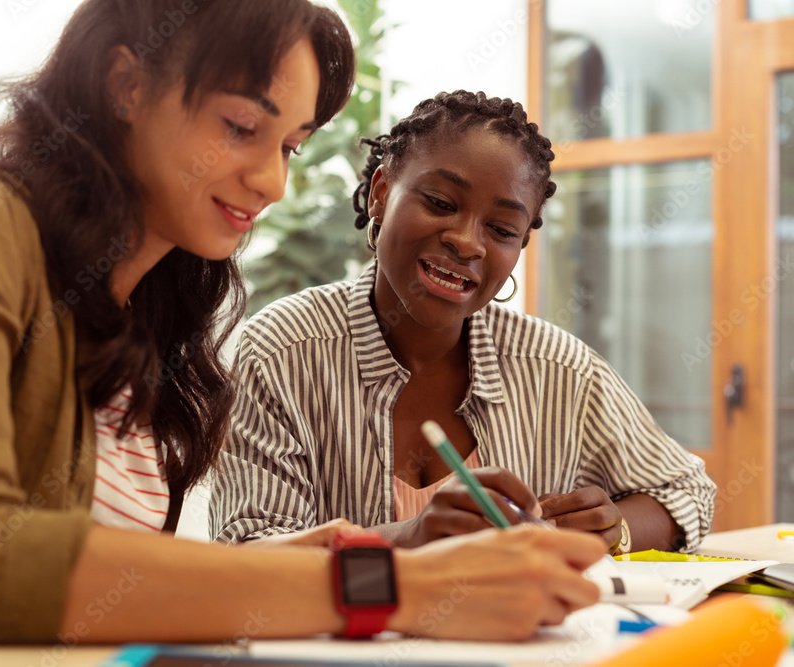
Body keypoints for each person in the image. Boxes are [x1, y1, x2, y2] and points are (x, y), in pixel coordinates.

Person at [0, 4, 606, 661]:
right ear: (126, 82)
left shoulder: (151, 304)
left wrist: (328, 559)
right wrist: (397, 586)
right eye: (242, 128)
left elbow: (108, 575)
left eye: (290, 144)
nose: (273, 181)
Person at [209, 90, 717, 554]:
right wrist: (408, 538)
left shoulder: (558, 368)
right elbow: (246, 557)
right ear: (382, 192)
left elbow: (688, 491)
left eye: (501, 229)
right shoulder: (281, 352)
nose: (468, 242)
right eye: (440, 203)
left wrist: (615, 529)